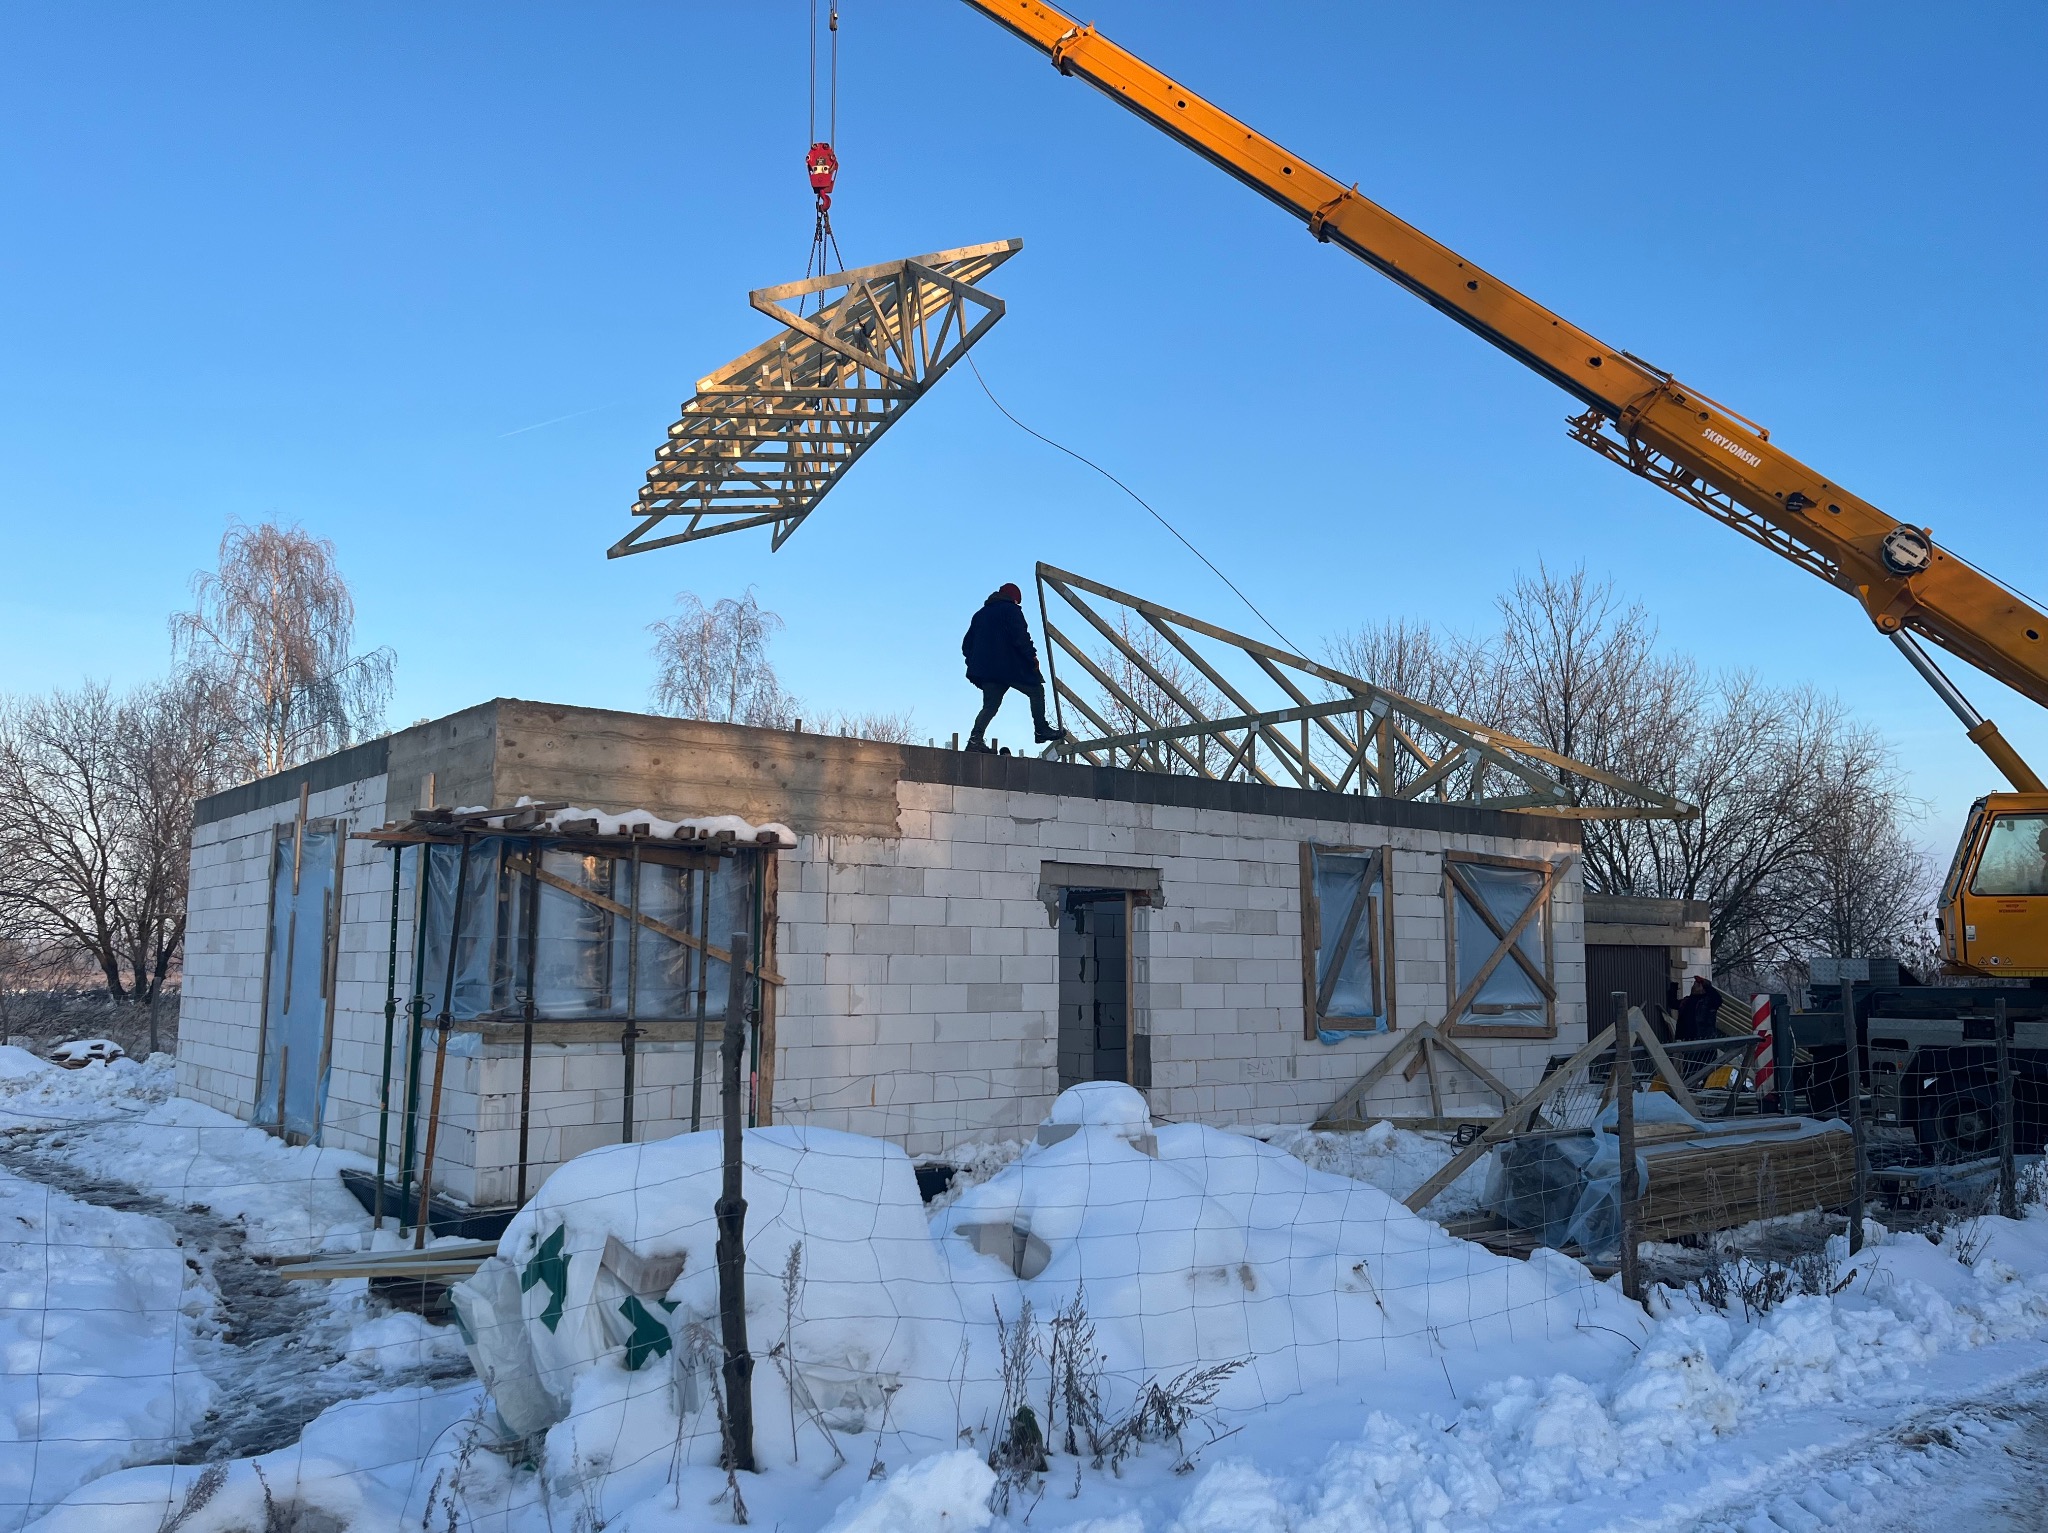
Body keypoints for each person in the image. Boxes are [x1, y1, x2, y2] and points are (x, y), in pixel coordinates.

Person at [962, 583, 1066, 752]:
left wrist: (976, 663)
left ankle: (975, 740)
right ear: (1014, 598)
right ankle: (1041, 729)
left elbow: (966, 646)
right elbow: (1021, 637)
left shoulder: (979, 615)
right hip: (1009, 667)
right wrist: (1032, 657)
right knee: (1036, 690)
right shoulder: (1011, 610)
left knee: (990, 705)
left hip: (988, 671)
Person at [1675, 974, 1723, 1042]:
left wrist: (1704, 983)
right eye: (1694, 984)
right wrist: (1673, 986)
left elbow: (1718, 1000)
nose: (1694, 986)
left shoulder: (1709, 1002)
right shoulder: (1686, 1001)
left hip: (1705, 1039)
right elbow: (1672, 1003)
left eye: (1698, 985)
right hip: (1687, 1039)